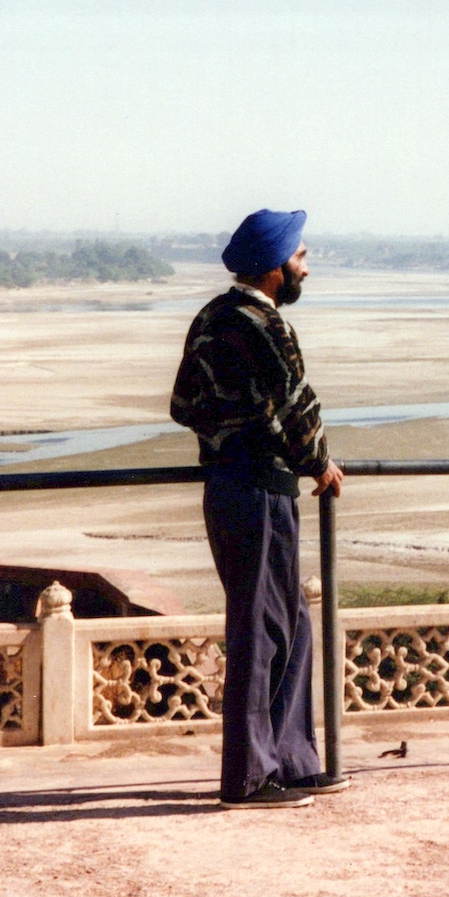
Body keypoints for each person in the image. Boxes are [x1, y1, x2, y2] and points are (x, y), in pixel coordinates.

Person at [170, 208, 348, 808]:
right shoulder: (266, 327)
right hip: (261, 491)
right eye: (299, 258)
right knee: (261, 630)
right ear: (274, 270)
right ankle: (248, 777)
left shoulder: (212, 317)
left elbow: (182, 405)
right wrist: (319, 463)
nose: (305, 266)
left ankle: (292, 761)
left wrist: (231, 428)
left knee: (287, 622)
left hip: (226, 486)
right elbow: (300, 408)